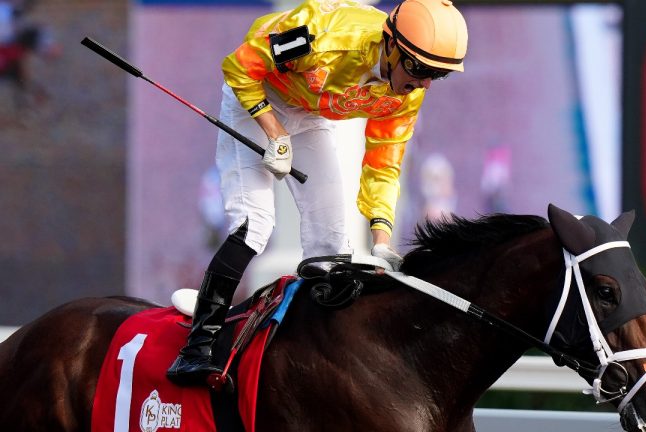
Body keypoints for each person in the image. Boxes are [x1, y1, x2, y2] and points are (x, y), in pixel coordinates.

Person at [167, 0, 468, 387]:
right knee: (256, 225)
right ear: (391, 45)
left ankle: (311, 344)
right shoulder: (324, 36)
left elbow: (384, 162)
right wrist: (275, 133)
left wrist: (381, 239)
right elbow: (239, 66)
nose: (424, 83)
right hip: (256, 96)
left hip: (309, 116)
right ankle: (196, 347)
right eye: (420, 69)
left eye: (437, 75)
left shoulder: (407, 91)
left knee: (331, 241)